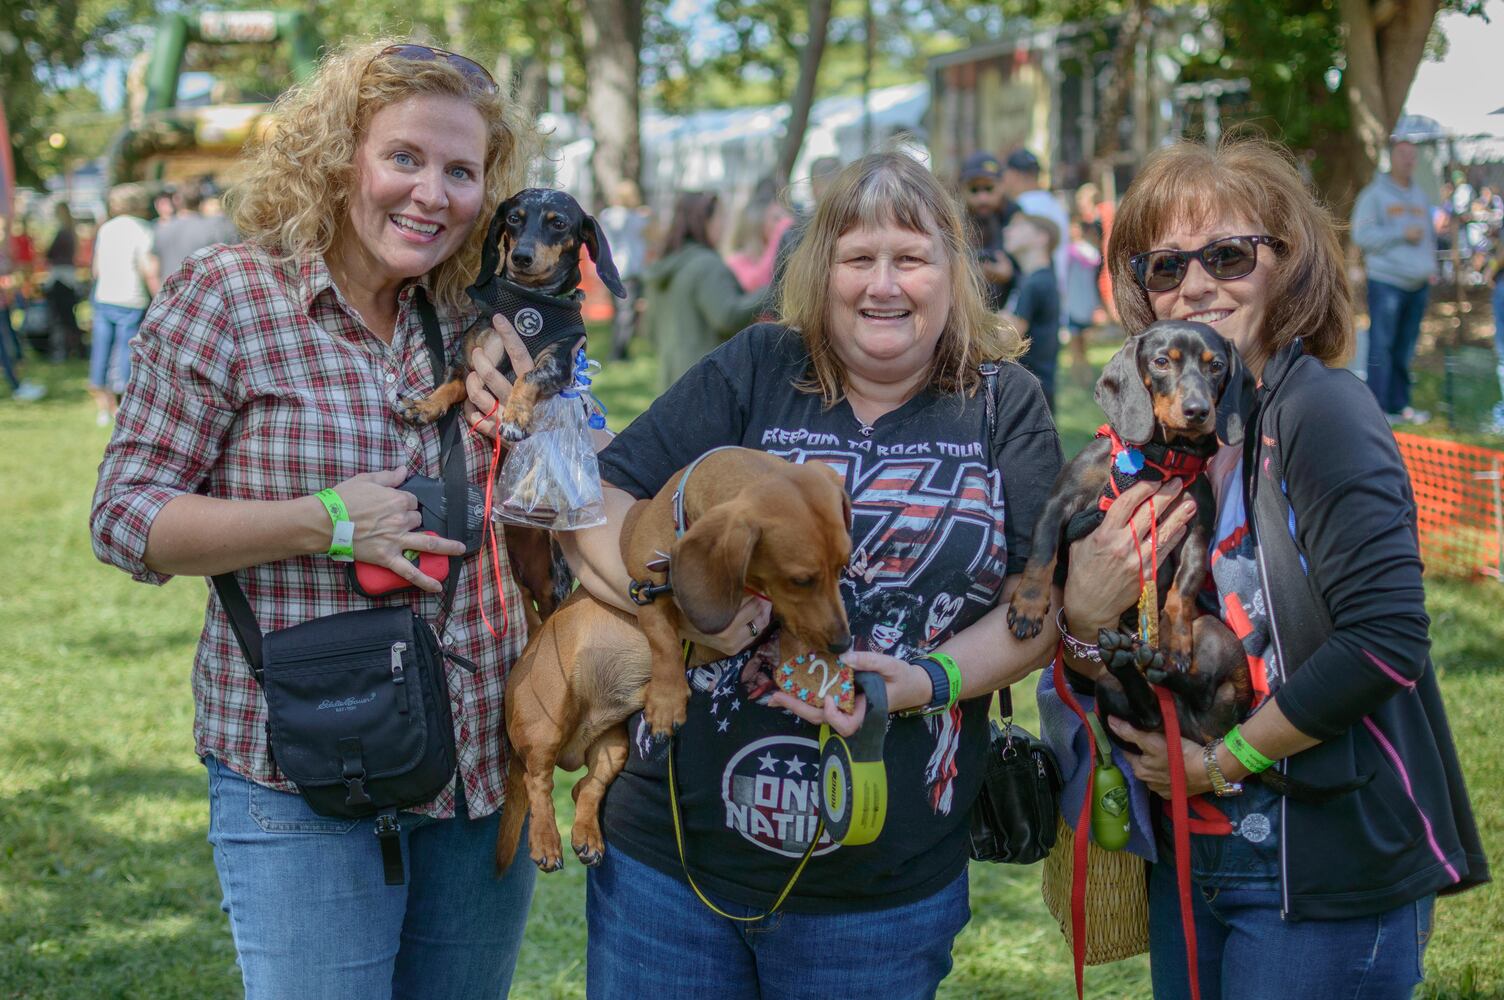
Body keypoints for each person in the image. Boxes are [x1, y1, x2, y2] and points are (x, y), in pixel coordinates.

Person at [524, 150, 1103, 998]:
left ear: (954, 273)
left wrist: (922, 682)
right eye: (857, 258)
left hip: (881, 884)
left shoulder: (1001, 401)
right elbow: (603, 491)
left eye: (910, 259)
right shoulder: (758, 365)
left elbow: (1041, 601)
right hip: (670, 859)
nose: (884, 285)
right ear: (818, 269)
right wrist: (687, 605)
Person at [90, 39, 542, 998]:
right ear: (341, 158)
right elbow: (125, 518)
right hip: (300, 773)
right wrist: (323, 522)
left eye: (462, 171)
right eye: (405, 158)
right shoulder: (230, 298)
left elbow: (566, 496)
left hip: (476, 770)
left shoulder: (475, 316)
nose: (432, 194)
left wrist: (545, 418)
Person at [1057, 137, 1488, 999]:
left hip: (1319, 863)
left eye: (1228, 254)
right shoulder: (1167, 451)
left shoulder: (1321, 408)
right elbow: (1093, 647)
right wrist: (1081, 616)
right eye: (1166, 266)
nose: (1196, 286)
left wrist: (1221, 764)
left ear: (1288, 266)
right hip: (1194, 853)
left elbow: (1384, 642)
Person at [641, 190, 765, 390]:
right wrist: (772, 289)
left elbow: (650, 331)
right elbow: (727, 316)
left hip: (670, 382)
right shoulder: (706, 265)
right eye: (721, 217)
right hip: (706, 383)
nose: (725, 225)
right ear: (703, 220)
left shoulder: (666, 263)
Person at [1352, 137, 1437, 425]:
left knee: (1405, 347)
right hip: (1387, 282)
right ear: (1392, 157)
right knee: (1382, 344)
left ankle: (1400, 405)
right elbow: (1360, 236)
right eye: (1403, 154)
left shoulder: (1420, 196)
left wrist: (1429, 267)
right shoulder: (1374, 195)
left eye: (1413, 155)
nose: (1409, 160)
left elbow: (1427, 237)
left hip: (1417, 285)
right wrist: (1399, 235)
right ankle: (1377, 408)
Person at [89, 184, 157, 426]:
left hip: (105, 294)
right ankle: (121, 404)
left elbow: (96, 268)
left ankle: (102, 407)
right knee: (126, 350)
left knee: (101, 348)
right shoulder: (143, 228)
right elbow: (147, 266)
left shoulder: (106, 229)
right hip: (131, 296)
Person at [1002, 212, 1062, 411]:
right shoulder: (1033, 280)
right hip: (1033, 389)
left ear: (1040, 237)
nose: (1006, 231)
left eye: (1018, 226)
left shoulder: (1036, 283)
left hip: (1033, 391)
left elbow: (1007, 337)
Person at [596, 178, 652, 359]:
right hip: (629, 270)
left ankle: (620, 349)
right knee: (626, 313)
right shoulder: (634, 217)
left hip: (612, 268)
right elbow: (649, 225)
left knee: (620, 312)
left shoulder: (607, 215)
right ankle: (619, 353)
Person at [1001, 148, 1070, 295]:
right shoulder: (1055, 204)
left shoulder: (1021, 207)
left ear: (1014, 175)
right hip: (1057, 292)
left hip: (1033, 292)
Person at [151, 177, 241, 282]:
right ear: (202, 201)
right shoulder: (213, 228)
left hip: (170, 293)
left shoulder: (161, 229)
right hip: (202, 294)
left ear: (176, 200)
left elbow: (152, 271)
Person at [960, 151, 1015, 311]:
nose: (982, 198)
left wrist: (1008, 275)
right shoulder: (956, 220)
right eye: (975, 190)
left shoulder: (1015, 217)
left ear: (1001, 186)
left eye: (989, 188)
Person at [726, 175, 793, 292]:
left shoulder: (782, 257)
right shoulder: (736, 261)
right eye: (776, 219)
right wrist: (779, 234)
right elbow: (757, 283)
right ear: (759, 225)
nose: (784, 222)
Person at [43, 201, 83, 361]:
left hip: (60, 278)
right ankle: (75, 349)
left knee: (62, 318)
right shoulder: (71, 232)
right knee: (68, 318)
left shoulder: (63, 232)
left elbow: (50, 253)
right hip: (68, 276)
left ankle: (67, 350)